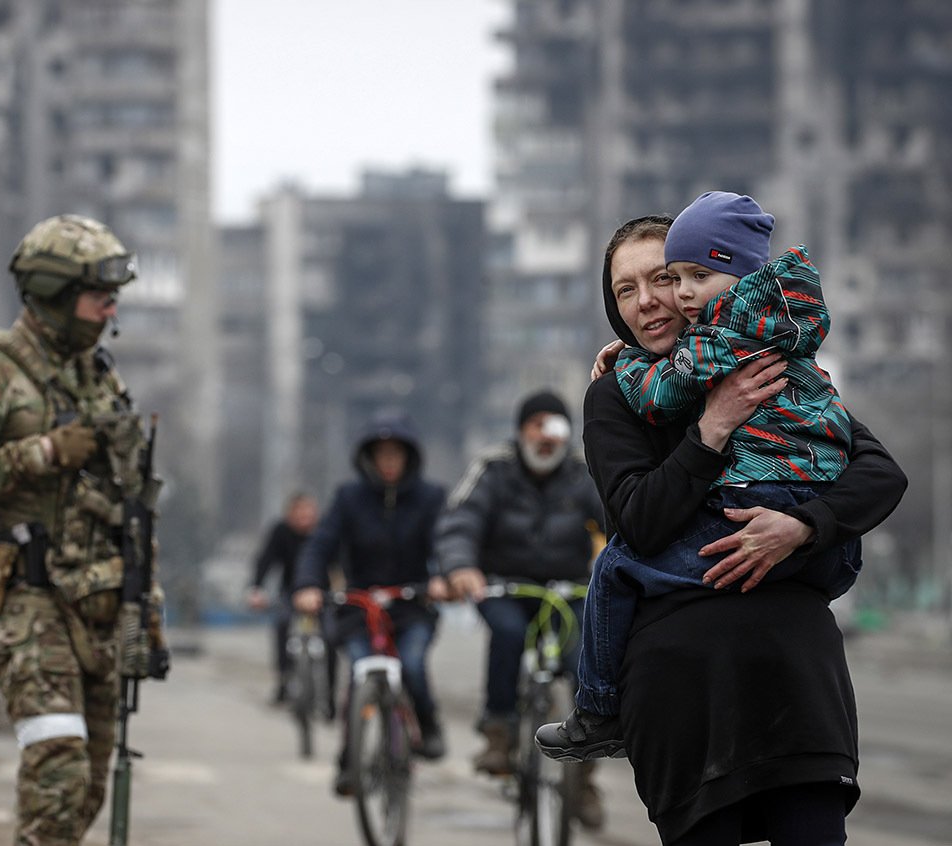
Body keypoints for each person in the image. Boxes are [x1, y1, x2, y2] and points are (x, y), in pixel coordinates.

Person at [538, 214, 906, 844]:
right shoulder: (617, 395)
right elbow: (639, 521)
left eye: (662, 278)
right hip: (684, 689)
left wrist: (801, 526)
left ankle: (593, 711)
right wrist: (711, 427)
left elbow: (877, 472)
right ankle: (601, 711)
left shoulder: (770, 360)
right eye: (625, 290)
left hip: (797, 673)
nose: (649, 300)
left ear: (698, 283)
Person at [0, 214, 165, 846]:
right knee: (55, 775)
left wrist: (149, 600)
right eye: (96, 294)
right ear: (55, 293)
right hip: (32, 604)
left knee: (86, 789)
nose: (110, 307)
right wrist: (44, 452)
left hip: (101, 607)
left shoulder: (100, 377)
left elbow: (130, 500)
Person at [435, 389, 607, 827]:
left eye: (555, 427)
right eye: (538, 425)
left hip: (567, 590)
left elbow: (619, 520)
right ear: (521, 430)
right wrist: (461, 568)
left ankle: (583, 776)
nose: (546, 436)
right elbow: (461, 521)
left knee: (580, 664)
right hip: (504, 586)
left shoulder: (583, 473)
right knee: (508, 635)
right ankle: (498, 733)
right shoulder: (493, 469)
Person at [292, 411, 449, 797]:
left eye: (397, 453)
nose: (389, 461)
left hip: (412, 605)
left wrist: (443, 578)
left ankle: (427, 726)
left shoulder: (431, 498)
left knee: (411, 665)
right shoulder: (348, 498)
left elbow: (446, 543)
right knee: (360, 674)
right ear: (369, 458)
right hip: (360, 608)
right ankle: (350, 762)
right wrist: (309, 585)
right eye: (382, 454)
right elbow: (320, 545)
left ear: (410, 457)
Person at [246, 491, 334, 712]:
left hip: (323, 594)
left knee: (331, 635)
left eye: (308, 511)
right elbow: (265, 560)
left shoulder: (326, 531)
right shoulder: (281, 532)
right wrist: (256, 588)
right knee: (282, 625)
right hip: (291, 593)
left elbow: (341, 561)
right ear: (289, 514)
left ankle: (331, 695)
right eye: (299, 512)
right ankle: (284, 681)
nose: (304, 517)